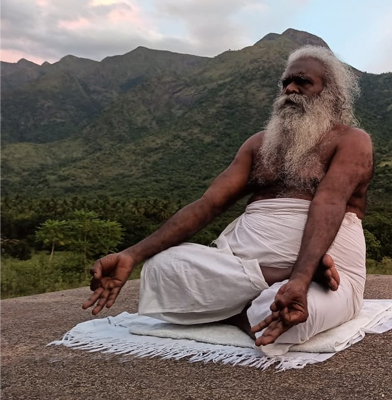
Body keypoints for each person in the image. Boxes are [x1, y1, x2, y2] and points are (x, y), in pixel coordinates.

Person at [82, 45, 373, 354]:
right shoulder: (257, 146)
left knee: (288, 318)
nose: (289, 88)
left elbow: (328, 203)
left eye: (302, 82)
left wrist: (301, 279)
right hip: (240, 269)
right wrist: (131, 254)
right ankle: (267, 285)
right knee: (160, 267)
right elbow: (208, 205)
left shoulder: (351, 140)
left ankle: (243, 305)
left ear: (331, 93)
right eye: (285, 82)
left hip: (327, 275)